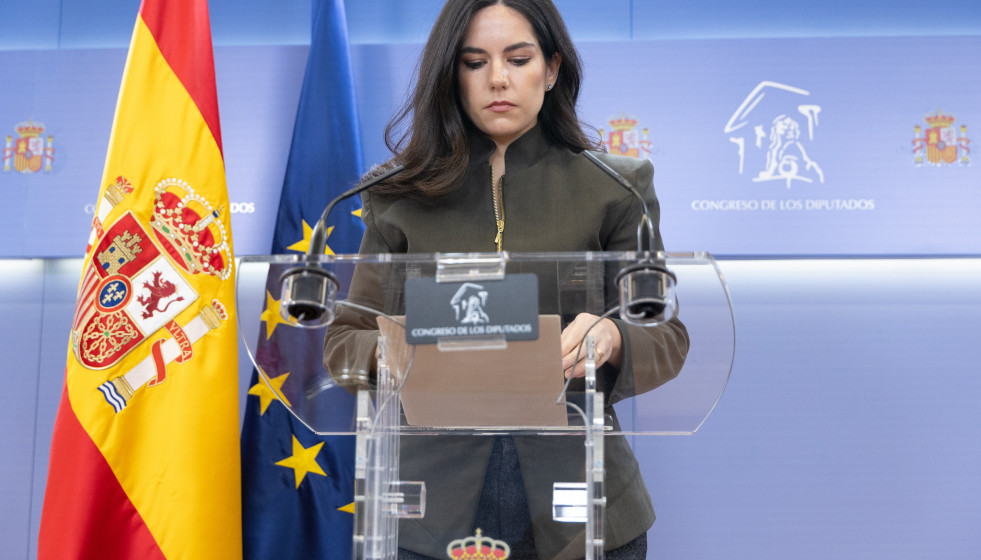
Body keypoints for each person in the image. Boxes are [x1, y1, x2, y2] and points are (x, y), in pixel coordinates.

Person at [323, 1, 689, 558]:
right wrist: (397, 348)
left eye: (518, 59)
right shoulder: (397, 193)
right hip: (427, 509)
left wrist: (613, 338)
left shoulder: (619, 186)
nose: (498, 79)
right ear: (451, 75)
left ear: (553, 69)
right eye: (475, 62)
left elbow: (664, 335)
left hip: (582, 505)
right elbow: (344, 342)